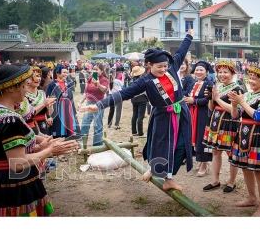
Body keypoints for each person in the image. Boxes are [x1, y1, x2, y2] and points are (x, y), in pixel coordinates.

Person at [81, 36, 196, 192]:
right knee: (160, 146)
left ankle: (167, 177)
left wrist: (189, 36)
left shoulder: (172, 68)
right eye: (159, 67)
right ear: (149, 65)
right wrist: (99, 105)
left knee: (181, 146)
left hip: (181, 113)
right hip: (163, 117)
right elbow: (123, 94)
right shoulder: (145, 81)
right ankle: (158, 172)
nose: (163, 70)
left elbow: (182, 50)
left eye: (165, 66)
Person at [0, 65, 79, 216]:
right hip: (15, 184)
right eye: (24, 85)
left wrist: (40, 146)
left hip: (1, 179)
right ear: (10, 88)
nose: (27, 90)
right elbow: (18, 163)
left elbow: (6, 151)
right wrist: (50, 151)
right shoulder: (9, 120)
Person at [229, 65, 260, 216]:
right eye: (250, 78)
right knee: (245, 168)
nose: (251, 81)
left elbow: (259, 116)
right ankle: (252, 198)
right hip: (244, 134)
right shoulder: (247, 95)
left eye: (254, 79)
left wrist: (242, 102)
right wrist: (234, 104)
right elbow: (234, 115)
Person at [202, 60, 243, 192]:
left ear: (232, 73)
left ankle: (231, 182)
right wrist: (211, 99)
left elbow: (234, 110)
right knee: (215, 151)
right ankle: (215, 180)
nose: (222, 75)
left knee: (230, 153)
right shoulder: (217, 86)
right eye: (219, 72)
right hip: (215, 121)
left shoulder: (237, 89)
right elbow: (212, 107)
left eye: (225, 72)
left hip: (229, 123)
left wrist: (218, 98)